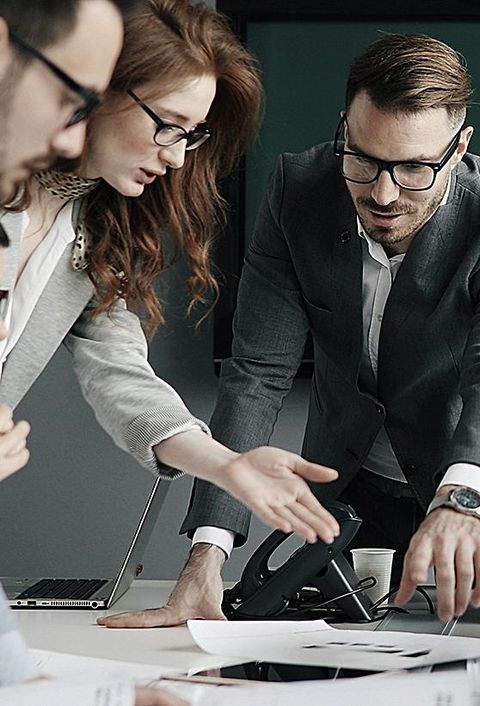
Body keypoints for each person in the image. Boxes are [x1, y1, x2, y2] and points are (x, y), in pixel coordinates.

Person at [99, 32, 480, 630]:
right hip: (348, 501)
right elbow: (257, 374)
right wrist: (206, 558)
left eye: (413, 169)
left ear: (458, 150)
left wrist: (464, 500)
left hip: (465, 490)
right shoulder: (299, 190)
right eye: (364, 160)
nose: (383, 194)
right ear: (343, 130)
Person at [0, 0, 340, 601]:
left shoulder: (95, 234)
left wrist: (226, 466)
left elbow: (123, 378)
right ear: (102, 87)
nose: (180, 156)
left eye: (193, 134)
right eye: (169, 124)